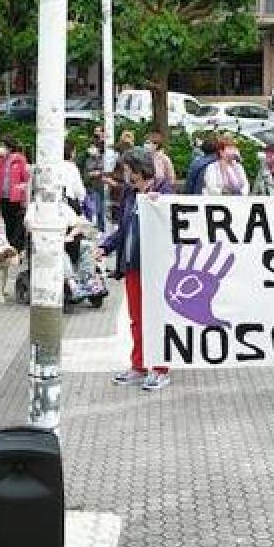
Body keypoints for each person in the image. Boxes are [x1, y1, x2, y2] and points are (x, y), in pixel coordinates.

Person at [100, 148, 173, 392]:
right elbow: (123, 229)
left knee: (157, 316)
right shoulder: (130, 194)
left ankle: (160, 367)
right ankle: (139, 364)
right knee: (137, 317)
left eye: (129, 169)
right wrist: (106, 247)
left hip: (155, 266)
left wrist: (160, 206)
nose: (127, 174)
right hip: (132, 263)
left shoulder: (163, 191)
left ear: (140, 168)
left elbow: (173, 223)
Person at [0, 138, 31, 252]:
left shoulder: (20, 159)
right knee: (8, 223)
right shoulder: (1, 160)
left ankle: (17, 247)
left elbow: (26, 178)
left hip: (16, 197)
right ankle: (10, 248)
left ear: (9, 147)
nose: (2, 148)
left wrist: (23, 193)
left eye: (3, 146)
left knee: (17, 223)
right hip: (4, 196)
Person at [83, 138, 108, 231]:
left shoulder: (104, 158)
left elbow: (106, 171)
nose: (91, 149)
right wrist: (92, 174)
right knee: (98, 210)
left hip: (105, 187)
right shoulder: (89, 160)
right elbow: (86, 173)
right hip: (95, 187)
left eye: (93, 147)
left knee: (104, 210)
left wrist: (98, 173)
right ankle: (100, 229)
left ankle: (104, 229)